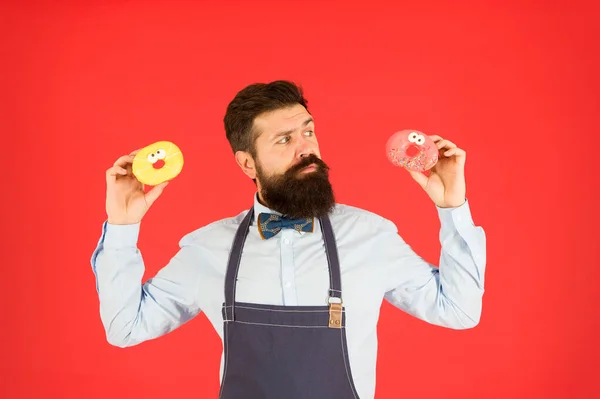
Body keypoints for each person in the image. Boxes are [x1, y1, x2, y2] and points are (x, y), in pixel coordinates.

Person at [91, 80, 486, 399]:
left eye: (308, 132)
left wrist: (453, 208)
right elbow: (126, 327)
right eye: (284, 140)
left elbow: (458, 310)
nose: (306, 149)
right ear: (248, 163)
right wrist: (123, 228)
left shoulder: (370, 236)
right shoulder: (207, 248)